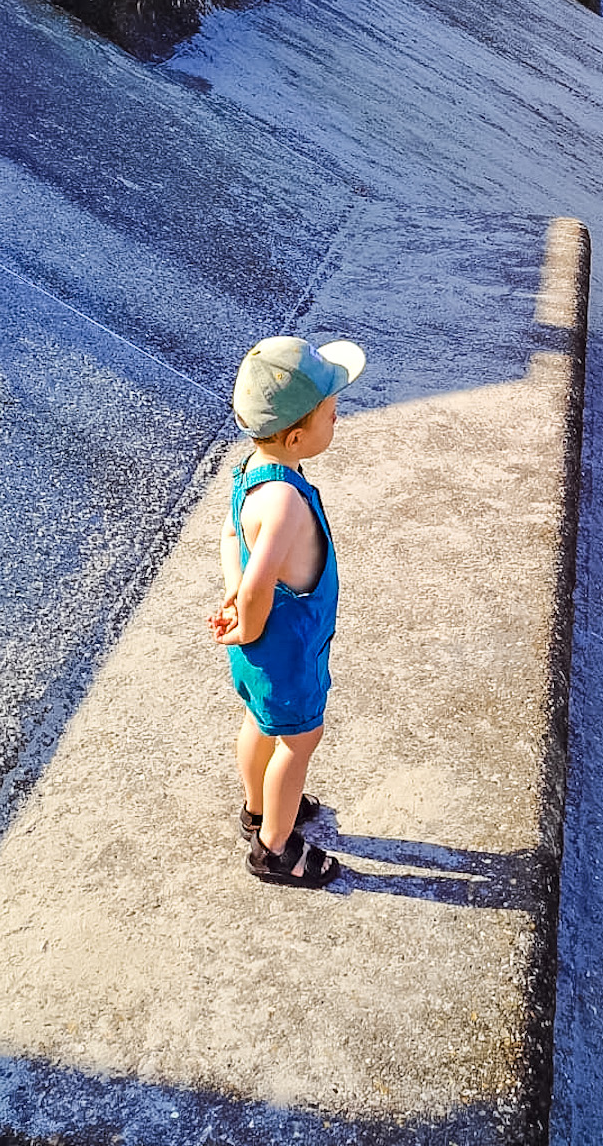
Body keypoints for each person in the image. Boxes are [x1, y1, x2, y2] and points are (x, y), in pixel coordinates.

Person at [210, 334, 365, 888]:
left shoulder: (253, 475)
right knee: (299, 741)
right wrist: (247, 617)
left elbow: (232, 535)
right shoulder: (283, 502)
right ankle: (275, 848)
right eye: (332, 412)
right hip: (287, 648)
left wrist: (234, 603)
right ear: (297, 435)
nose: (337, 419)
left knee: (259, 720)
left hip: (262, 651)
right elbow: (258, 582)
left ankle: (259, 808)